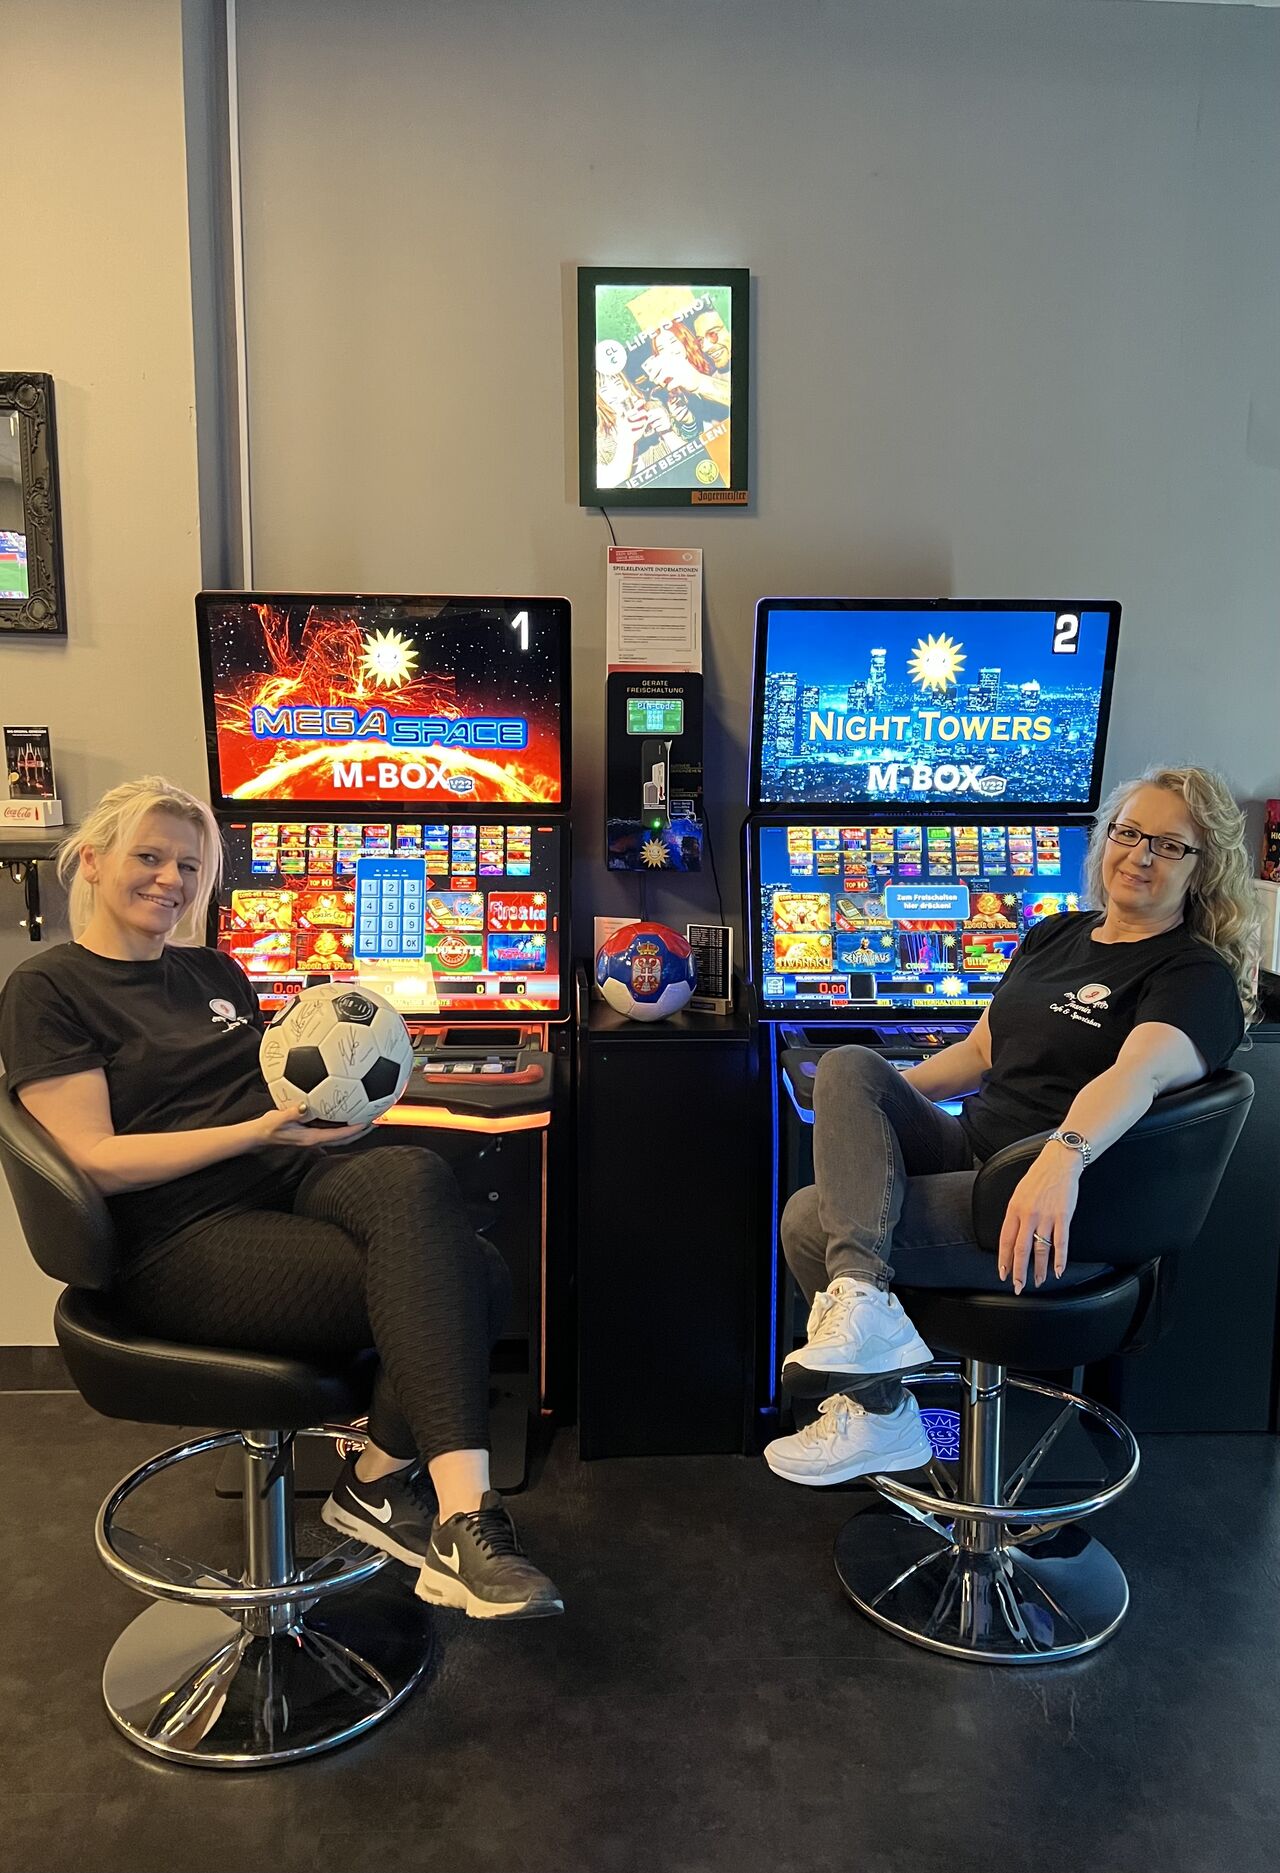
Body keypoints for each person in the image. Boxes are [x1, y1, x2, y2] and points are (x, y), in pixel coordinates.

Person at [0, 777, 562, 1619]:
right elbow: (95, 1160)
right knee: (469, 1278)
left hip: (281, 1178)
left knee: (420, 1179)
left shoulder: (213, 969)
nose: (170, 880)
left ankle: (382, 1482)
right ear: (92, 861)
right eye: (148, 857)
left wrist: (345, 1085)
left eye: (189, 865)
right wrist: (255, 1132)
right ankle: (460, 1516)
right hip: (175, 1237)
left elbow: (278, 1080)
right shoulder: (49, 988)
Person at [766, 766, 1256, 1488]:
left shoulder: (1194, 976)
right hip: (977, 1153)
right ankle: (864, 1313)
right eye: (1128, 833)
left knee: (812, 1220)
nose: (1139, 855)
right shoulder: (1056, 933)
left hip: (1066, 1203)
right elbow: (978, 1055)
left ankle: (879, 1410)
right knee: (846, 1067)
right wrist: (863, 1108)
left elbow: (1136, 1074)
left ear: (1201, 866)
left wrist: (1063, 1154)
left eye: (1168, 844)